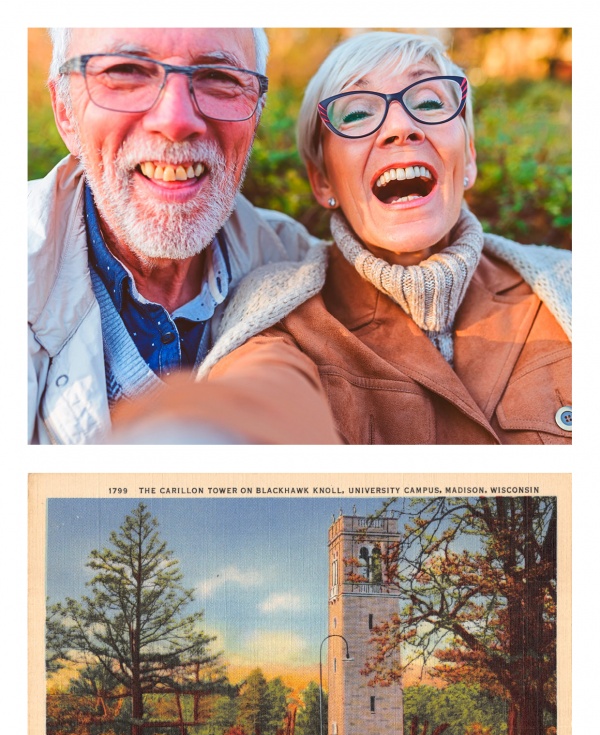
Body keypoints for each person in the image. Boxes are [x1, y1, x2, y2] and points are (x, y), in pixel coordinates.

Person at [190, 30, 571, 445]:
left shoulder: (568, 286)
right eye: (356, 114)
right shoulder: (279, 318)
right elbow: (257, 402)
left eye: (428, 103)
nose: (402, 128)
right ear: (322, 181)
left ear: (470, 159)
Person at [28, 27, 338, 444]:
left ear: (256, 113)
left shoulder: (300, 266)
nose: (175, 121)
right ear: (65, 111)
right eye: (126, 72)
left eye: (219, 78)